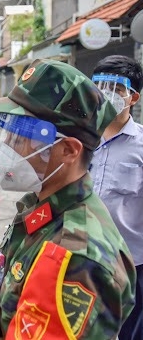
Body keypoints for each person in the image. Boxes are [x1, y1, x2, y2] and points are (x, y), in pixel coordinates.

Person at [0, 59, 135, 338]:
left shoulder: (73, 256)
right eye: (8, 133)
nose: (7, 147)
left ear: (69, 150)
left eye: (21, 136)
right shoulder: (41, 206)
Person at [90, 55, 143, 340]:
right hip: (85, 259)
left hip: (132, 267)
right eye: (99, 86)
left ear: (132, 97)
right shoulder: (82, 139)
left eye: (115, 88)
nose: (105, 94)